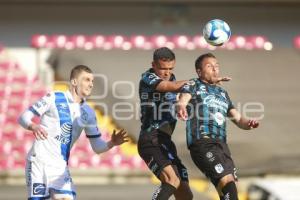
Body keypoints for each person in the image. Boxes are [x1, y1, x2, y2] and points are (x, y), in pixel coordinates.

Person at [18, 65, 128, 200]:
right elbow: (23, 117)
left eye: (92, 81)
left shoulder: (88, 112)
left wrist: (112, 143)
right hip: (38, 162)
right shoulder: (53, 97)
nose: (91, 84)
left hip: (59, 167)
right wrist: (33, 126)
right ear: (74, 82)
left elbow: (97, 147)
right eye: (87, 80)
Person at [177, 53, 259, 200]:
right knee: (227, 182)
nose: (215, 69)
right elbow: (183, 99)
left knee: (227, 188)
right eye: (209, 66)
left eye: (217, 66)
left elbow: (238, 119)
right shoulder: (194, 84)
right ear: (199, 71)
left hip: (222, 146)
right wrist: (181, 106)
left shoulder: (222, 93)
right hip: (203, 142)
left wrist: (249, 123)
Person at [137, 47, 193, 200]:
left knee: (185, 194)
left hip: (165, 142)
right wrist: (198, 82)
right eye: (163, 68)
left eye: (170, 68)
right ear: (153, 65)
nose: (167, 73)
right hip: (150, 140)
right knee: (171, 180)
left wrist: (181, 104)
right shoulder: (147, 78)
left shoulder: (172, 78)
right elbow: (170, 87)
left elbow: (181, 93)